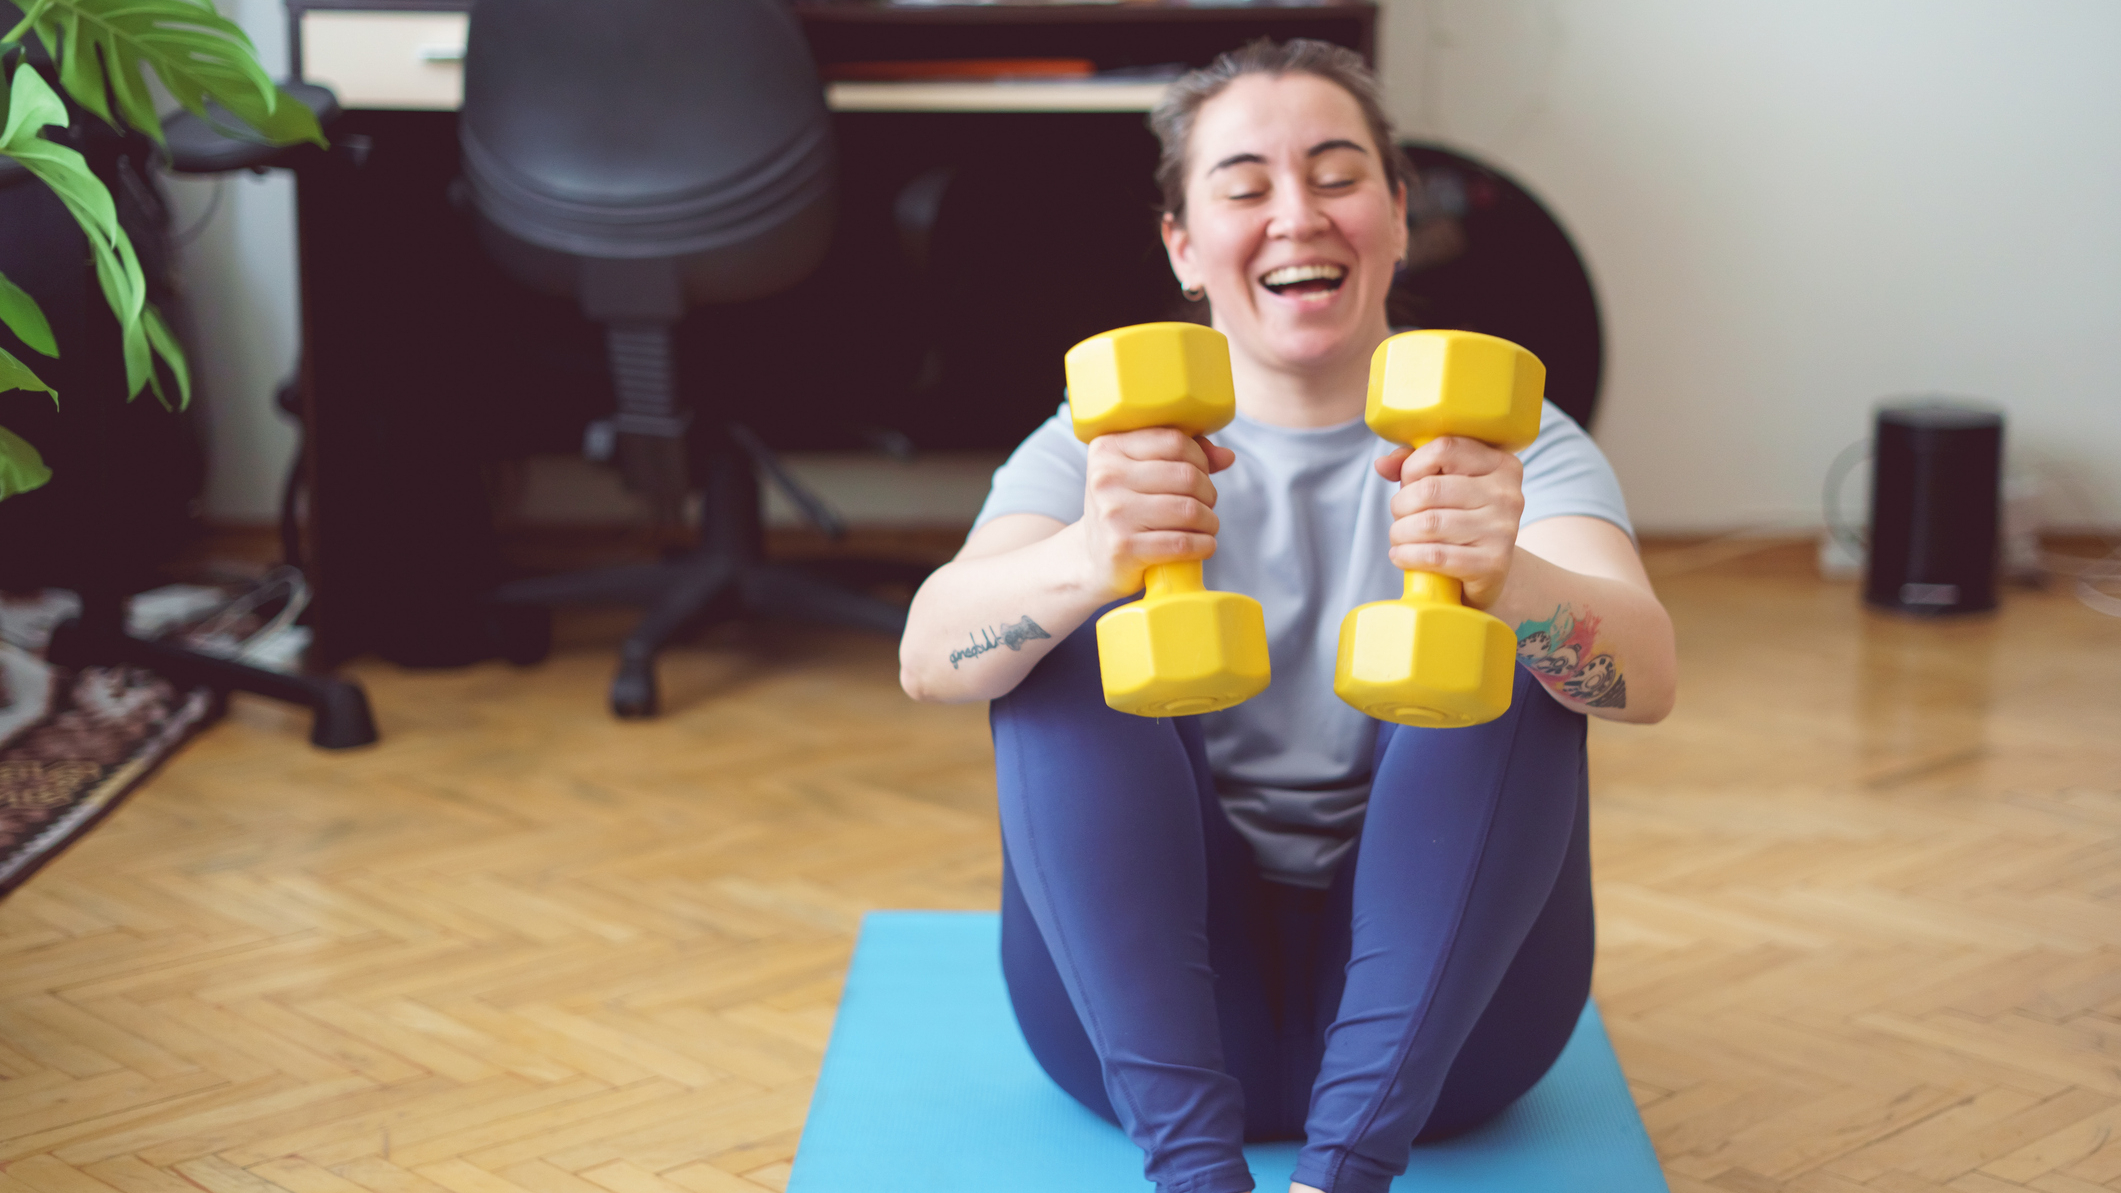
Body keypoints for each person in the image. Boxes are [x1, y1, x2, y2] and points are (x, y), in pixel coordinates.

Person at [898, 38, 1677, 1193]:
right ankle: (1196, 1178)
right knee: (1056, 641)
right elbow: (930, 656)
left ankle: (1342, 1176)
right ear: (1182, 244)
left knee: (1517, 650)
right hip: (1158, 1026)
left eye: (1337, 172)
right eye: (1245, 184)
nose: (1297, 215)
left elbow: (1647, 679)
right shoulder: (1097, 442)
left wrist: (1513, 579)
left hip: (1450, 1036)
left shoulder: (1511, 442)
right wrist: (1086, 558)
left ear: (1401, 217)